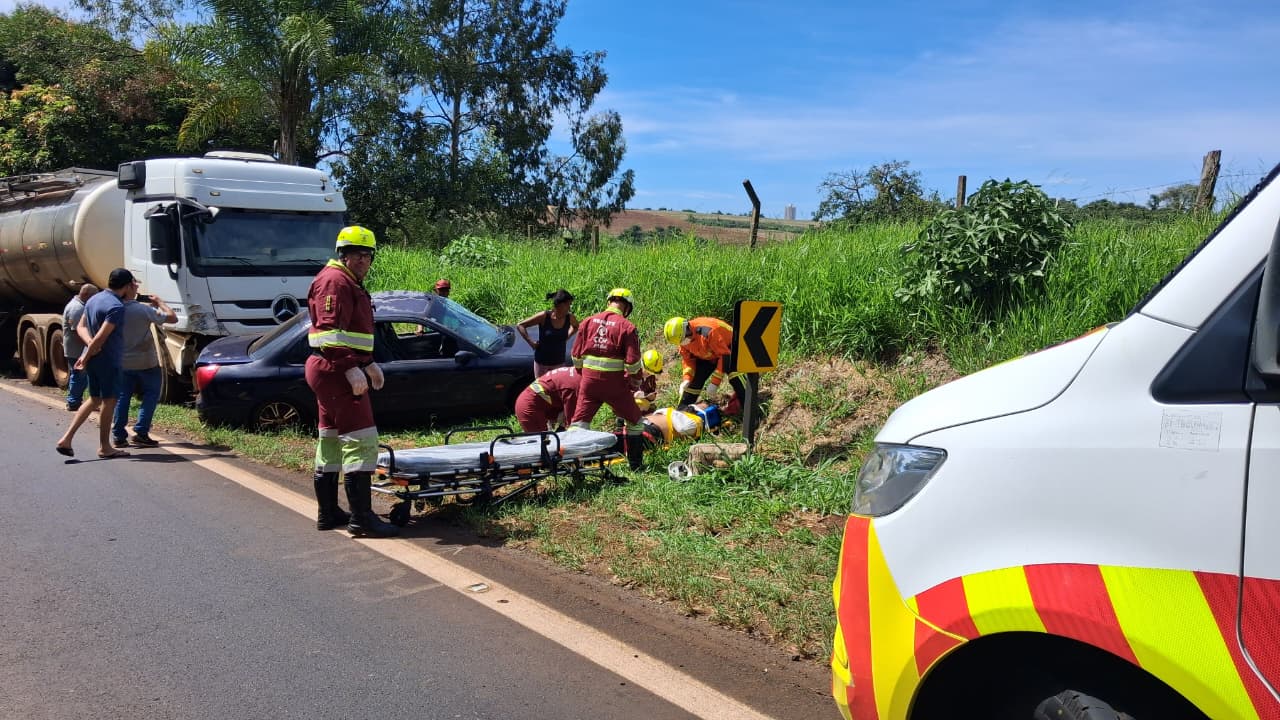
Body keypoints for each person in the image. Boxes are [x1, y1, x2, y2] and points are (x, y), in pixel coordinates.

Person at [305, 225, 398, 537]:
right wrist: (349, 368)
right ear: (342, 255)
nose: (363, 261)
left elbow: (349, 333)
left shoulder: (345, 281)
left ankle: (329, 512)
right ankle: (362, 519)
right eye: (356, 255)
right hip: (335, 370)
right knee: (361, 440)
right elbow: (329, 332)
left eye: (367, 255)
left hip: (331, 369)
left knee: (331, 441)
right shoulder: (335, 281)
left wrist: (368, 363)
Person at [55, 268, 136, 459]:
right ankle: (105, 447)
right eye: (132, 285)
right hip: (108, 361)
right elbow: (102, 337)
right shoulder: (116, 307)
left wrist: (88, 351)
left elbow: (81, 327)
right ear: (127, 286)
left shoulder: (93, 299)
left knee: (94, 399)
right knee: (109, 401)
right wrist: (90, 350)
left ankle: (66, 439)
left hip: (93, 359)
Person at [570, 288, 646, 470]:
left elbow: (575, 356)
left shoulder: (588, 321)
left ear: (609, 301)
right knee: (635, 422)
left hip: (588, 383)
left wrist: (585, 375)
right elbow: (633, 362)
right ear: (627, 307)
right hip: (614, 385)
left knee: (579, 423)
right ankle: (635, 466)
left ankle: (573, 467)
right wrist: (636, 380)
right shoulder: (627, 327)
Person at [111, 292, 177, 448]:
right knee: (151, 395)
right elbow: (172, 318)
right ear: (128, 288)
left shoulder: (113, 308)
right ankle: (141, 432)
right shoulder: (142, 310)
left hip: (122, 361)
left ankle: (118, 436)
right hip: (146, 362)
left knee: (122, 397)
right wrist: (160, 302)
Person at [663, 316, 748, 409]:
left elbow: (725, 356)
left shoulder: (708, 331)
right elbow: (688, 360)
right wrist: (686, 379)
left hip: (731, 348)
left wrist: (715, 383)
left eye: (683, 339)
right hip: (709, 354)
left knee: (735, 376)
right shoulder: (683, 340)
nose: (683, 343)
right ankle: (682, 412)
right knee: (693, 382)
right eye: (680, 342)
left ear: (687, 328)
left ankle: (749, 405)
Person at [517, 289, 579, 377]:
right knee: (541, 389)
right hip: (542, 364)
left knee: (557, 389)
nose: (569, 308)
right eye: (567, 304)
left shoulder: (570, 318)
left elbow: (576, 327)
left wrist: (567, 336)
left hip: (559, 363)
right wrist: (531, 343)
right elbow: (520, 326)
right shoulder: (544, 316)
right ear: (559, 305)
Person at [62, 283, 98, 411]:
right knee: (78, 374)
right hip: (76, 349)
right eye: (94, 296)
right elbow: (78, 332)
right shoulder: (77, 308)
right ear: (86, 295)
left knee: (81, 375)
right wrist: (92, 345)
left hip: (79, 348)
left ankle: (77, 400)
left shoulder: (81, 306)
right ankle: (73, 402)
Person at [514, 365, 580, 432]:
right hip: (530, 406)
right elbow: (574, 425)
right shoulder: (574, 386)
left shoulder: (576, 373)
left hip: (535, 401)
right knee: (542, 440)